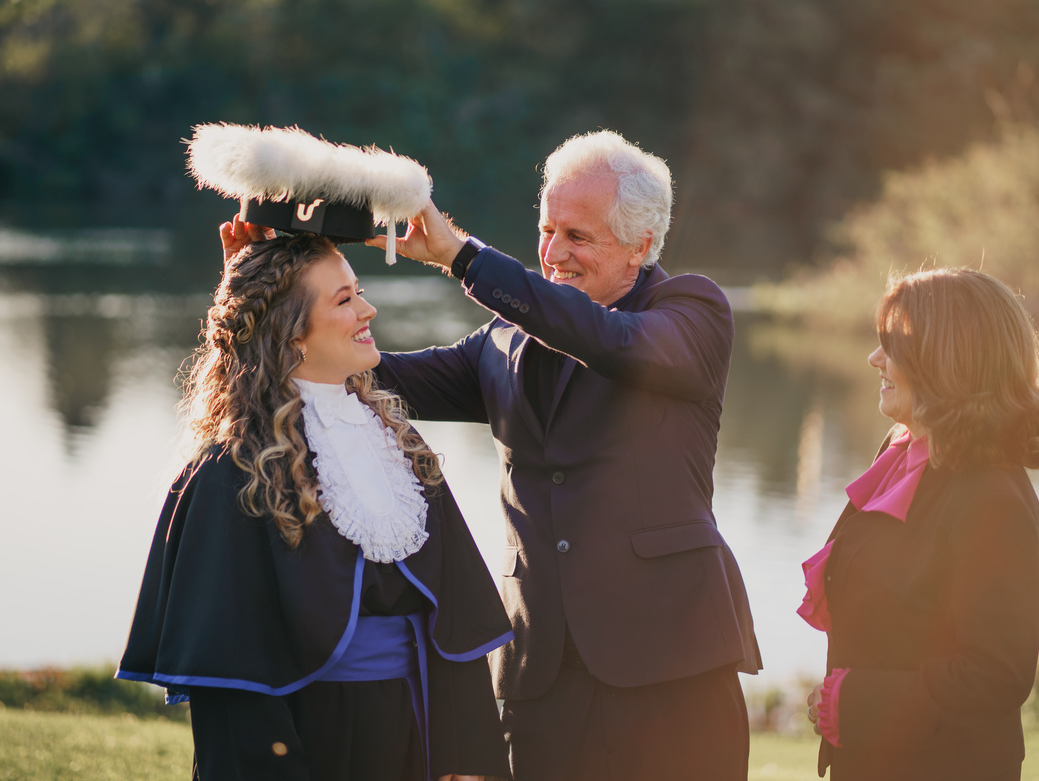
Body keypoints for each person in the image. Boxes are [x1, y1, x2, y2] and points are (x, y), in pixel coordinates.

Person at [361, 130, 761, 780]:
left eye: (578, 236)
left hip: (672, 665)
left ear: (640, 246)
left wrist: (462, 256)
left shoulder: (691, 312)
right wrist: (282, 284)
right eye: (547, 230)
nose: (552, 252)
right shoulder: (501, 341)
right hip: (542, 675)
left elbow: (606, 339)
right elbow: (372, 380)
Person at [117, 229, 514, 781]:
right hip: (310, 735)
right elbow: (231, 677)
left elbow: (449, 625)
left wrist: (465, 755)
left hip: (420, 726)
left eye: (359, 291)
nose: (368, 310)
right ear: (293, 334)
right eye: (345, 299)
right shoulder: (231, 470)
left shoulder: (399, 445)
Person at [797, 268, 1039, 780]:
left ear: (948, 358)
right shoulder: (905, 455)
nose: (874, 359)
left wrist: (852, 703)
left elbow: (993, 676)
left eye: (893, 346)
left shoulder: (993, 497)